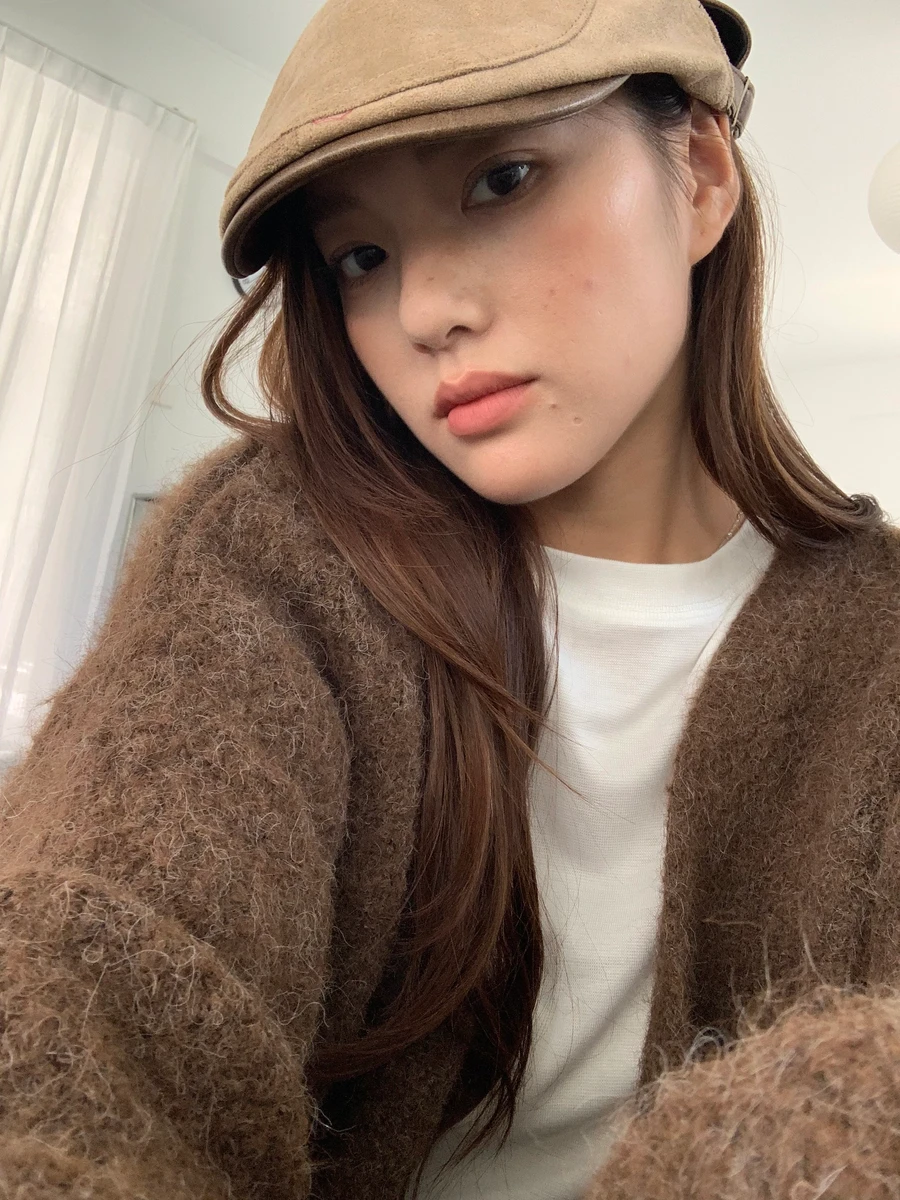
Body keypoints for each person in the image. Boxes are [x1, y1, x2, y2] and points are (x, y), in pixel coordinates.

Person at [1, 0, 899, 1196]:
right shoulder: (273, 550)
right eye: (361, 258)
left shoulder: (879, 642)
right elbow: (95, 967)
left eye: (502, 179)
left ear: (698, 172)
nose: (424, 312)